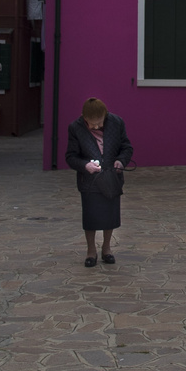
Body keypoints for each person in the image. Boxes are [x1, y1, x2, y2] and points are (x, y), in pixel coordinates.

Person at [65, 97, 133, 267]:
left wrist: (121, 161)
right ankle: (91, 251)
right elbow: (71, 156)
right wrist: (85, 165)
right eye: (92, 124)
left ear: (106, 115)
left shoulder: (117, 123)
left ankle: (107, 248)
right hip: (89, 179)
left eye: (99, 123)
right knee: (91, 215)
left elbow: (126, 147)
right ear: (83, 117)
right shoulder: (75, 128)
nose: (96, 127)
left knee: (110, 214)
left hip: (111, 177)